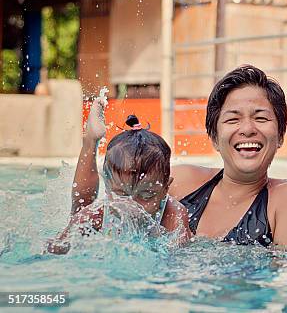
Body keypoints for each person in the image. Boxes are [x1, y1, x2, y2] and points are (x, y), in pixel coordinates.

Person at [169, 65, 287, 251]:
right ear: (214, 138)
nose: (247, 129)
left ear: (280, 136)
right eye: (233, 119)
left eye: (261, 118)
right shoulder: (180, 182)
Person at [49, 108, 191, 254]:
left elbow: (178, 256)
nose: (132, 205)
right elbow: (56, 248)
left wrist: (156, 235)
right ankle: (90, 141)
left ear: (166, 188)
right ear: (108, 185)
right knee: (80, 208)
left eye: (147, 196)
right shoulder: (98, 213)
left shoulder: (174, 213)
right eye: (122, 194)